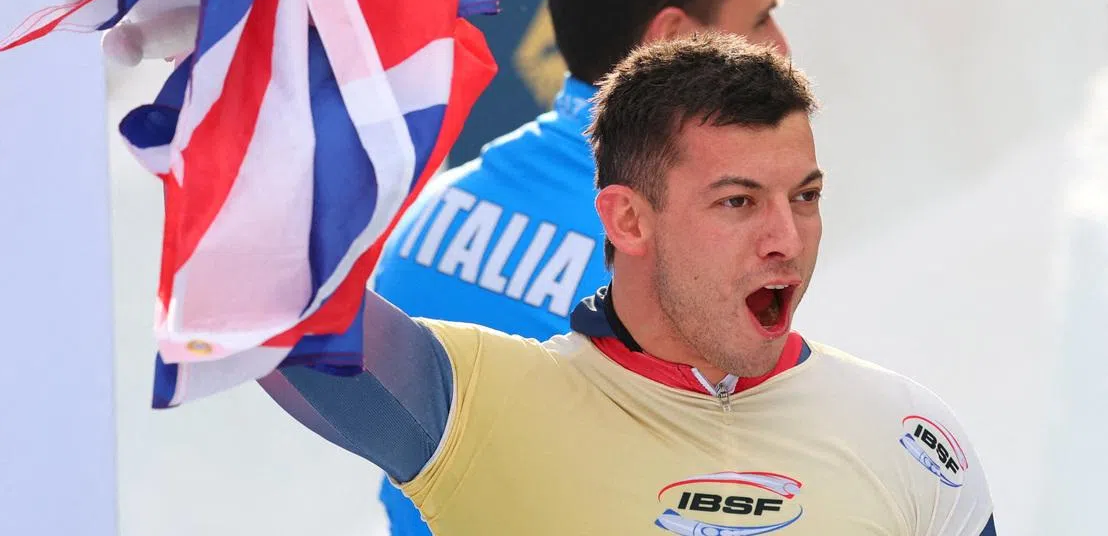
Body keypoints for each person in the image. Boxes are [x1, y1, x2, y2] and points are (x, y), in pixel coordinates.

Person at [262, 34, 997, 535]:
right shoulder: (476, 401)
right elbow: (258, 299)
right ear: (627, 220)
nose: (787, 240)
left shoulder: (911, 437)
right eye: (738, 202)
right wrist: (242, 37)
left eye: (804, 197)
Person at [370, 0, 789, 534]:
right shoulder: (686, 257)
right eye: (760, 20)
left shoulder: (429, 216)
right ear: (674, 39)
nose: (781, 50)